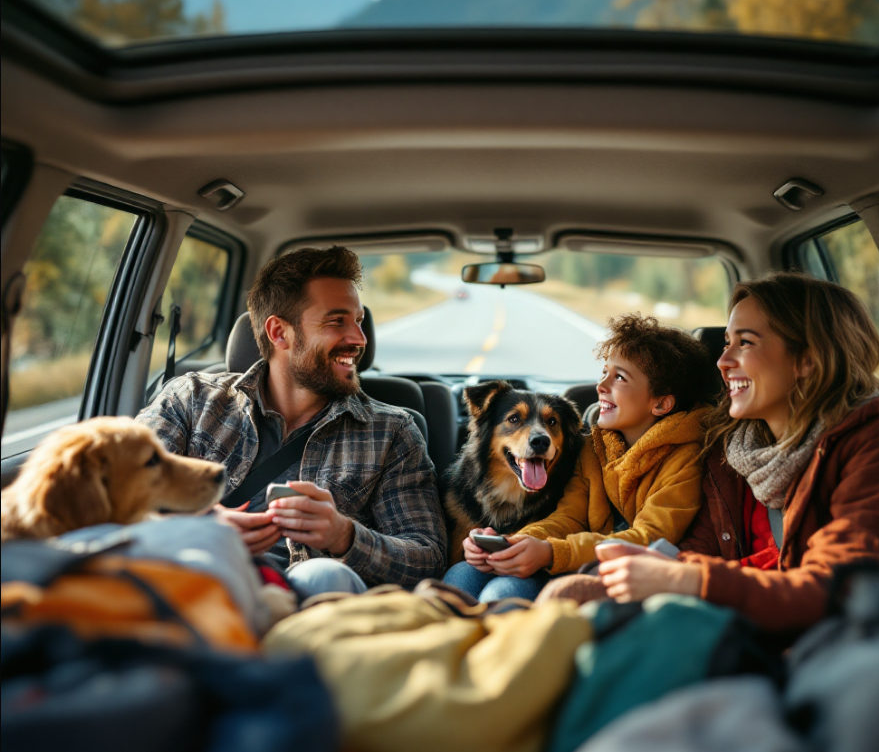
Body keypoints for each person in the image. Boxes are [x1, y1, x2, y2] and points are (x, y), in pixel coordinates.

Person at [542, 273, 879, 634]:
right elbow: (705, 548)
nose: (723, 361)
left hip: (811, 648)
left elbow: (848, 593)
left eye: (746, 343)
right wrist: (651, 568)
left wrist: (687, 578)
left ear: (808, 360)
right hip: (741, 617)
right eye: (726, 342)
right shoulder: (735, 443)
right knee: (570, 594)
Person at [137, 246, 447, 599]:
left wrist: (344, 536)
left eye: (358, 321)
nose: (359, 339)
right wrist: (201, 528)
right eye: (336, 321)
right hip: (188, 584)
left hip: (307, 604)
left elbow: (429, 558)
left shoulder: (392, 432)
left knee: (323, 575)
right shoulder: (191, 400)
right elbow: (113, 494)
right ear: (279, 333)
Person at [444, 314, 713, 602]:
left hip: (623, 577)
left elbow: (648, 538)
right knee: (462, 574)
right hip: (576, 561)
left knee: (503, 592)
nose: (601, 386)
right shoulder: (594, 448)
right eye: (604, 373)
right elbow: (569, 516)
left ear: (660, 403)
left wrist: (551, 552)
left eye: (619, 377)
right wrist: (516, 542)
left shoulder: (686, 460)